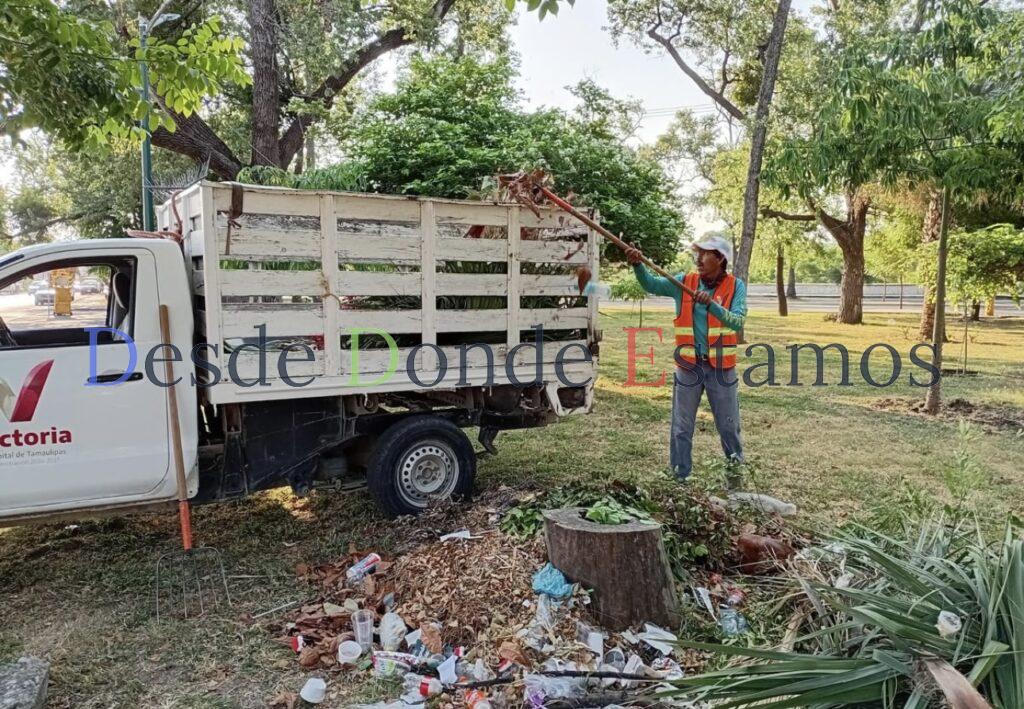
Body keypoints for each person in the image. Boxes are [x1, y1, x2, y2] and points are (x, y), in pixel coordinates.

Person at [625, 233, 748, 482]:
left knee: (728, 426)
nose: (698, 258)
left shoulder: (736, 286)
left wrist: (712, 305)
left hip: (721, 369)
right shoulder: (684, 282)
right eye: (697, 253)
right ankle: (680, 478)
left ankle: (735, 480)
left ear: (720, 258)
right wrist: (637, 264)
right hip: (689, 367)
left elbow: (737, 321)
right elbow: (651, 285)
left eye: (705, 253)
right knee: (681, 427)